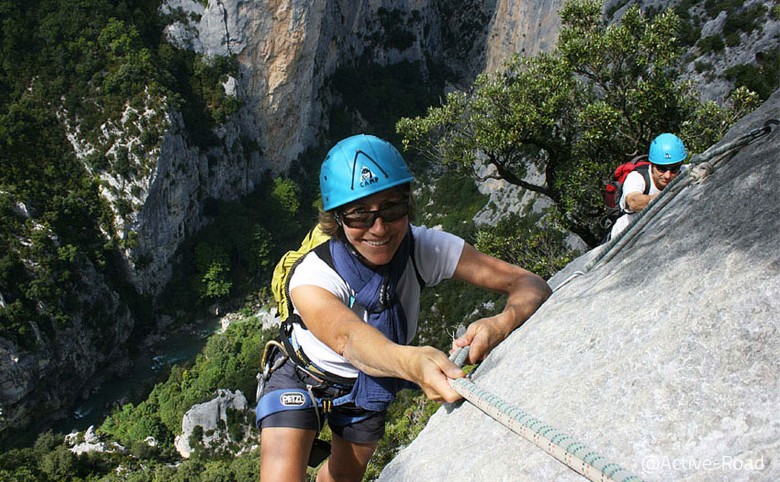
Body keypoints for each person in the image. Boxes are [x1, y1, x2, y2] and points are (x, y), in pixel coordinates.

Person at [257, 134, 551, 481]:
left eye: (392, 208)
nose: (378, 228)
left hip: (367, 382)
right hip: (301, 373)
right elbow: (348, 339)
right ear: (337, 219)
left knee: (343, 477)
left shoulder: (424, 247)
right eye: (359, 215)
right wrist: (411, 362)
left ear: (407, 205)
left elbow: (530, 284)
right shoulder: (313, 275)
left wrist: (500, 324)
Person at [609, 133, 687, 239]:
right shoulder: (637, 177)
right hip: (627, 236)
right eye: (661, 169)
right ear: (652, 164)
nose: (667, 176)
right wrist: (655, 199)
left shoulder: (684, 172)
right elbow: (632, 201)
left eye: (674, 169)